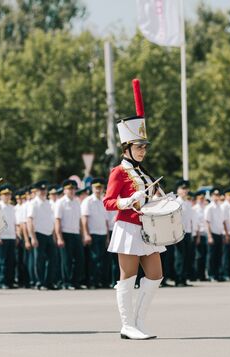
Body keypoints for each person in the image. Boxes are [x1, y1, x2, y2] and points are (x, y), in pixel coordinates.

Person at [103, 79, 164, 340]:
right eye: (139, 147)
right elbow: (107, 202)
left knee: (156, 275)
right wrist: (127, 201)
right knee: (127, 277)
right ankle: (127, 325)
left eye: (144, 147)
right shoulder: (118, 172)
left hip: (147, 229)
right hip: (127, 227)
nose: (143, 151)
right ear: (127, 147)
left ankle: (138, 321)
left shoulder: (145, 174)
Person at [27, 180, 58, 290]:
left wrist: (54, 235)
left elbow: (51, 220)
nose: (43, 192)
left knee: (52, 259)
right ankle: (40, 283)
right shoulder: (33, 203)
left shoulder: (48, 203)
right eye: (41, 190)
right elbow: (29, 221)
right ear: (37, 191)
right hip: (38, 234)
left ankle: (49, 282)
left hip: (49, 234)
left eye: (44, 190)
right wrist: (33, 237)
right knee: (39, 260)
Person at [55, 179, 84, 290]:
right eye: (69, 189)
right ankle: (66, 282)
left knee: (79, 259)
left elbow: (80, 220)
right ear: (64, 190)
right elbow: (58, 220)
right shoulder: (60, 202)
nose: (72, 191)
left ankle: (75, 281)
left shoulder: (77, 202)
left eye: (73, 189)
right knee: (66, 260)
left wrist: (82, 235)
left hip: (76, 233)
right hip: (65, 233)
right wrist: (59, 237)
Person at [81, 178, 110, 288]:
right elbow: (84, 219)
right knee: (94, 259)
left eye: (100, 188)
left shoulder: (104, 200)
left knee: (103, 260)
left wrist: (107, 237)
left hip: (102, 233)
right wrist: (86, 234)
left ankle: (101, 281)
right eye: (96, 188)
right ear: (92, 188)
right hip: (93, 233)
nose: (98, 190)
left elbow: (106, 220)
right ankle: (92, 282)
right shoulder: (88, 201)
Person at [0, 184, 17, 288]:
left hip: (11, 236)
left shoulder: (12, 207)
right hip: (2, 237)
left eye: (9, 194)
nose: (7, 196)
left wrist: (16, 236)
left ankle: (9, 281)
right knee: (2, 261)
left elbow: (14, 223)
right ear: (1, 196)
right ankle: (2, 281)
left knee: (10, 261)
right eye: (5, 195)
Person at [174, 180, 194, 286]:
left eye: (186, 189)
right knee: (180, 257)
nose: (185, 191)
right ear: (178, 190)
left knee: (187, 256)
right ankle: (178, 279)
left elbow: (190, 219)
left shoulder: (188, 203)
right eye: (182, 189)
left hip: (188, 232)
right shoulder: (176, 203)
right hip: (179, 233)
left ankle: (184, 278)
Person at [204, 188, 225, 282]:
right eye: (215, 195)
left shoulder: (220, 207)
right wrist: (209, 236)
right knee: (211, 256)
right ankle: (211, 274)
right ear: (211, 196)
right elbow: (207, 222)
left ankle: (217, 274)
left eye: (218, 195)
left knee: (218, 255)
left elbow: (222, 222)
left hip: (219, 233)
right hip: (212, 234)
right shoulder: (209, 207)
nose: (217, 197)